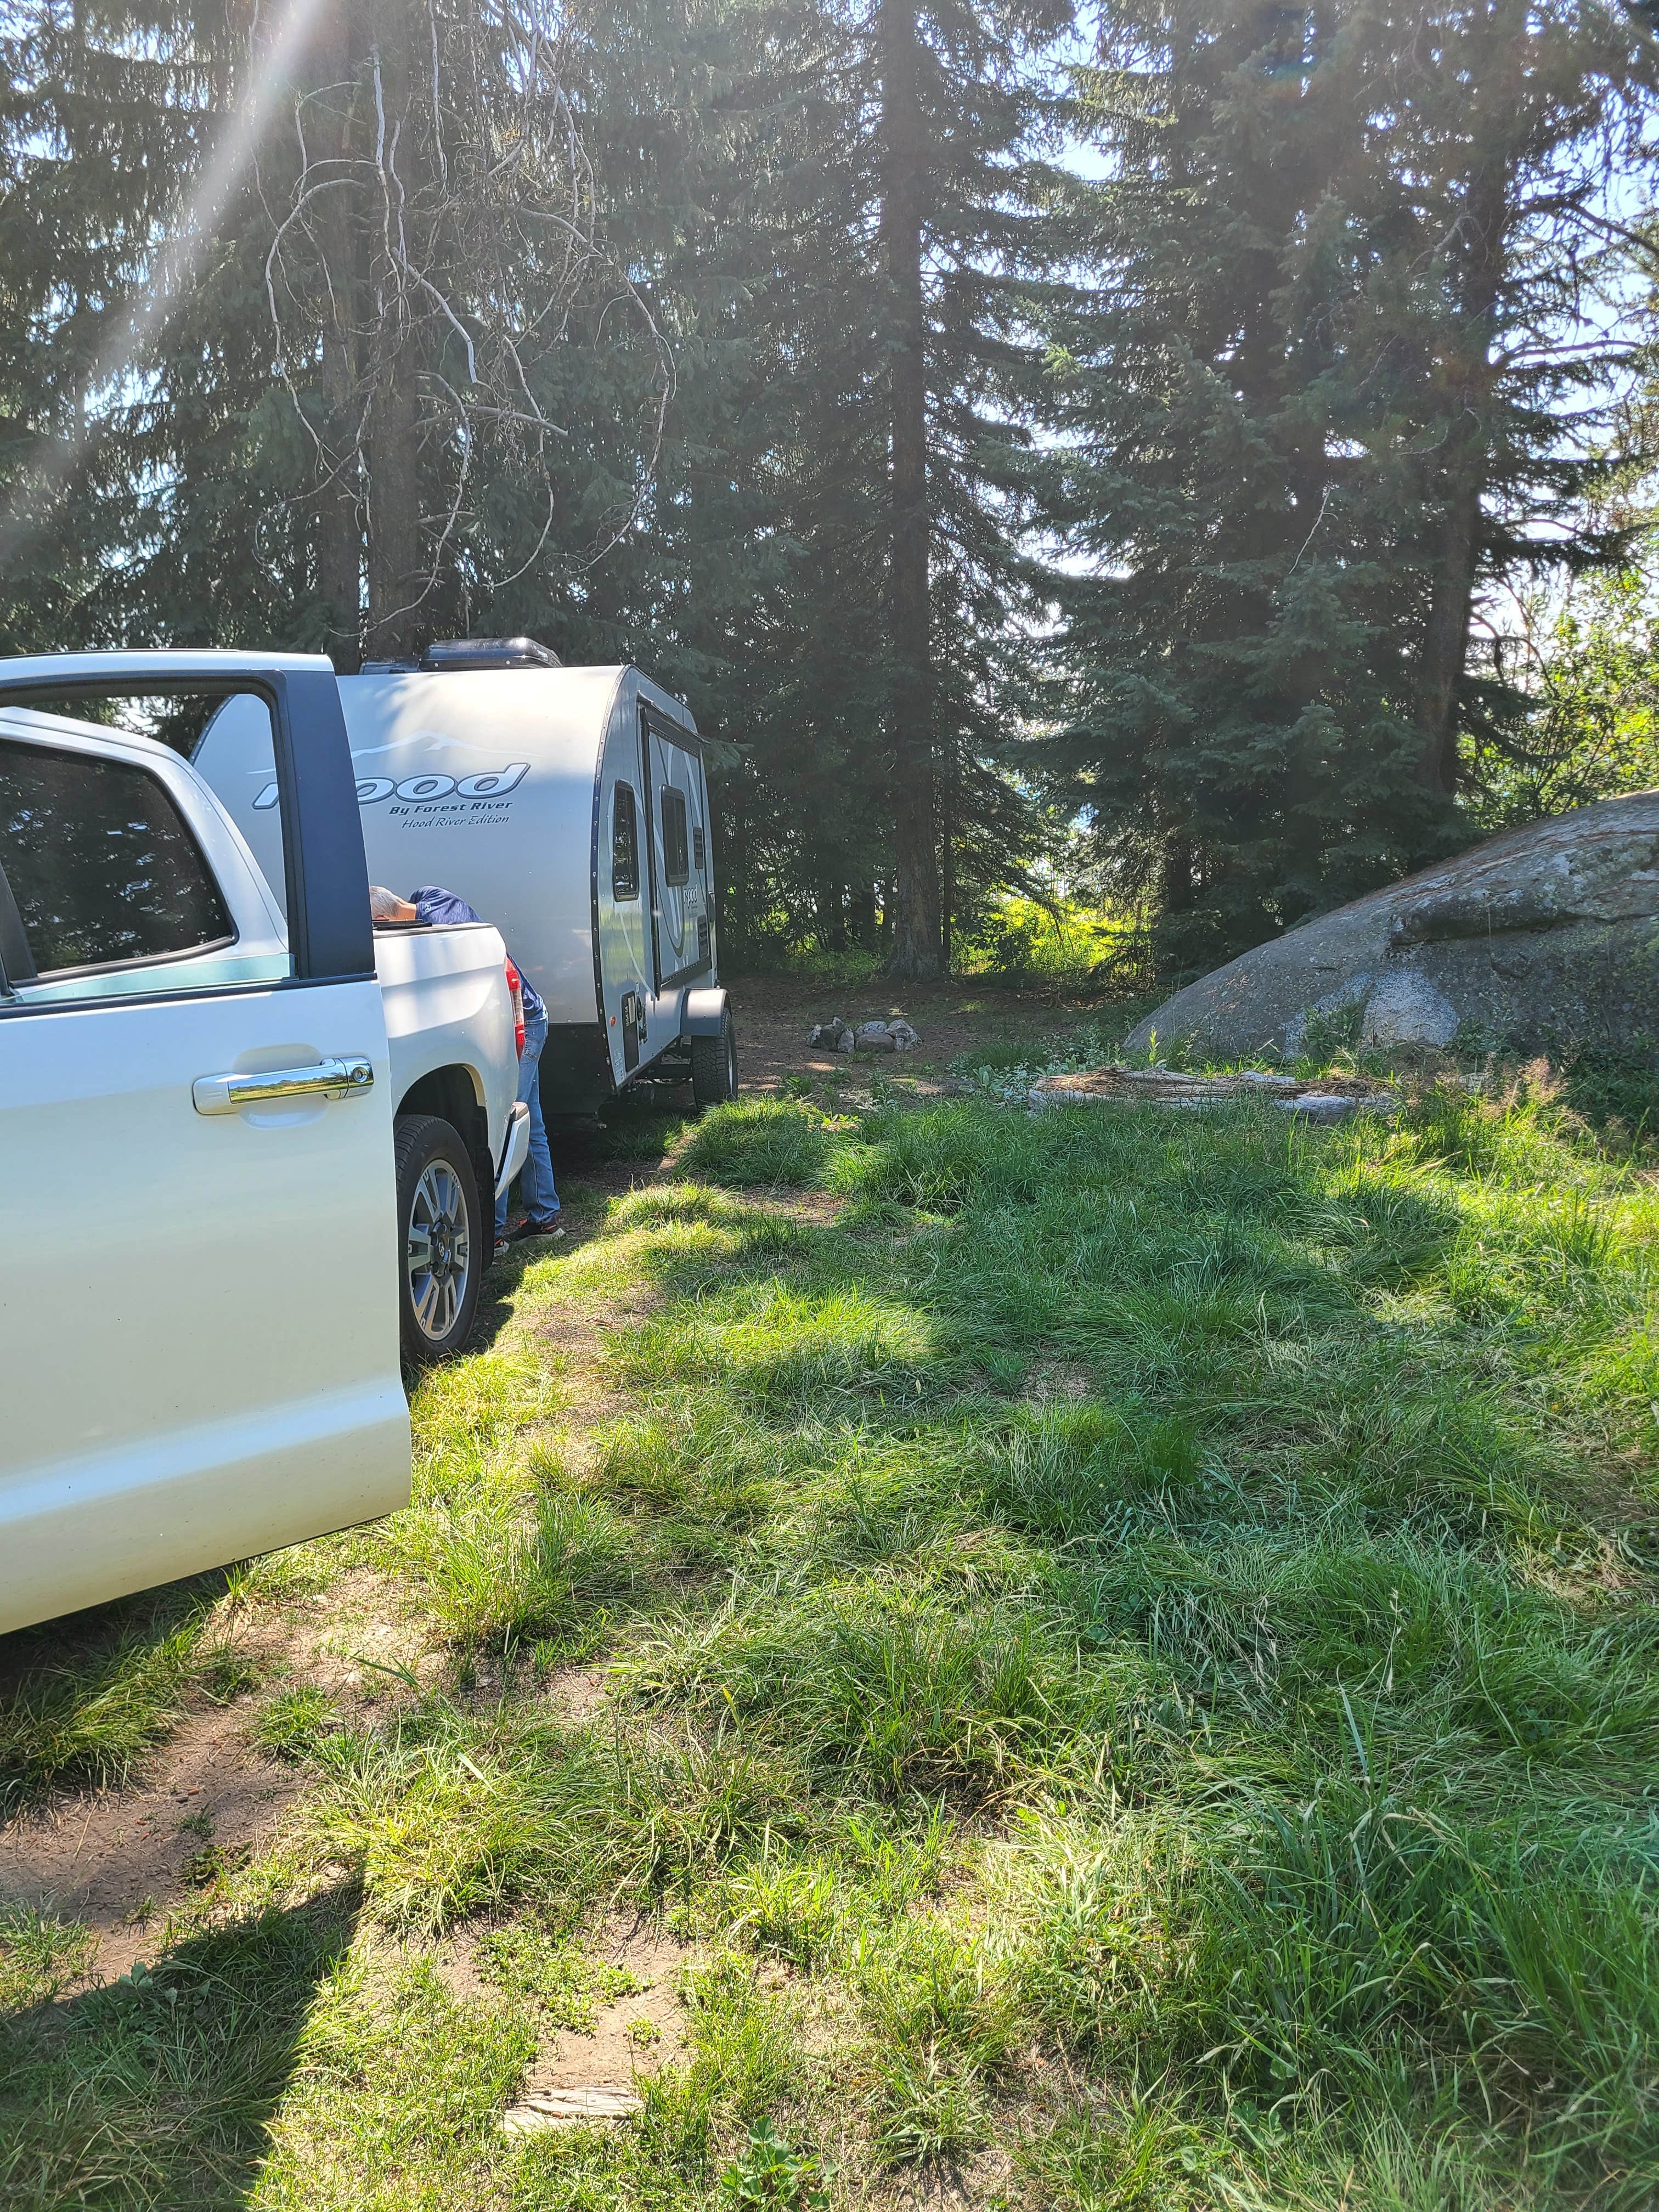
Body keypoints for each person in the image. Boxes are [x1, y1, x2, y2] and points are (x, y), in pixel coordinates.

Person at [369, 885, 562, 1259]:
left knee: (503, 1120)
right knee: (527, 1121)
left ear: (381, 920)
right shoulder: (431, 899)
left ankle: (491, 1235)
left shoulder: (439, 925)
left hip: (520, 1020)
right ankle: (544, 1217)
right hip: (529, 1013)